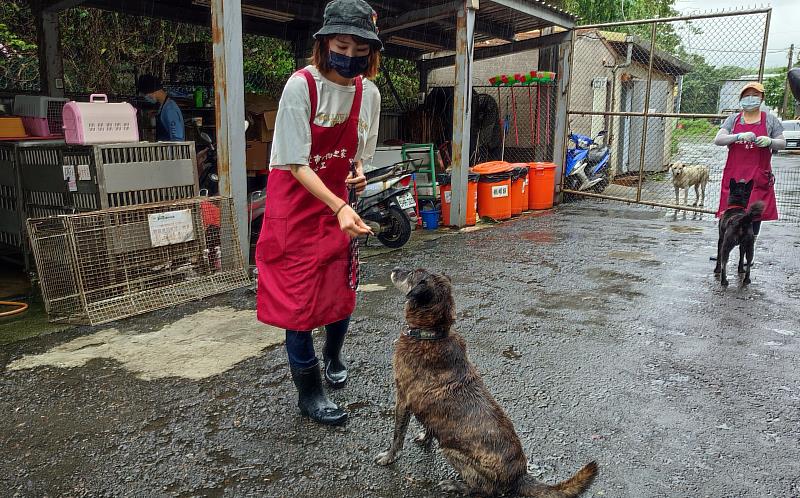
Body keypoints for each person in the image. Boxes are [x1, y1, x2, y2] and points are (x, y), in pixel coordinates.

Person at [255, 0, 382, 426]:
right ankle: (309, 394)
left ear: (371, 51)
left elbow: (358, 155)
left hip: (338, 205)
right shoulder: (300, 87)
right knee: (298, 304)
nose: (349, 56)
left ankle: (333, 355)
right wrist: (340, 205)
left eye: (359, 49)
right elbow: (295, 162)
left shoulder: (369, 94)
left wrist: (358, 174)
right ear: (324, 43)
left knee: (339, 292)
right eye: (341, 45)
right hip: (296, 206)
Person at [713, 82, 785, 239]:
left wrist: (770, 141)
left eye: (755, 95)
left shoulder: (770, 120)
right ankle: (723, 247)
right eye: (746, 96)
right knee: (729, 211)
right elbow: (718, 139)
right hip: (735, 175)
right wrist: (738, 136)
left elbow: (782, 142)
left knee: (755, 212)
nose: (750, 99)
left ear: (762, 98)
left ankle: (748, 251)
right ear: (741, 99)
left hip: (758, 176)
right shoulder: (733, 119)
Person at [136, 74, 186, 142]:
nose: (146, 98)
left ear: (153, 92)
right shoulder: (164, 106)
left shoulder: (170, 109)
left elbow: (177, 138)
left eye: (145, 95)